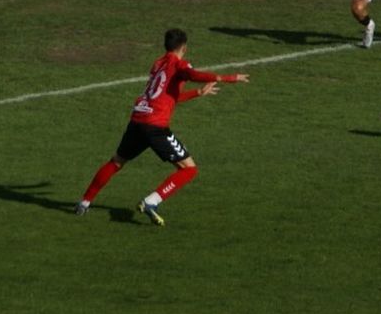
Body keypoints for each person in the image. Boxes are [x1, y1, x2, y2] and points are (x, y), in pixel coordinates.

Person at [75, 28, 250, 226]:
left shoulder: (158, 64)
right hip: (155, 127)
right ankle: (152, 201)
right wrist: (226, 78)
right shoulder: (178, 64)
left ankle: (84, 201)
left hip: (138, 120)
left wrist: (198, 93)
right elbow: (191, 74)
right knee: (189, 169)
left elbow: (168, 98)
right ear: (184, 47)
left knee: (116, 162)